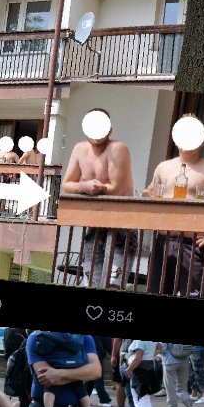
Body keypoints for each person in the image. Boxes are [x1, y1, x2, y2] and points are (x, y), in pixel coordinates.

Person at [143, 127, 204, 297]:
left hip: (193, 243)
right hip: (163, 241)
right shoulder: (163, 167)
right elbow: (149, 192)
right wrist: (151, 200)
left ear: (202, 141)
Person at [61, 108, 136, 287]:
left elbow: (117, 189)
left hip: (121, 226)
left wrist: (94, 188)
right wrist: (84, 186)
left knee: (112, 285)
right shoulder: (79, 149)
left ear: (109, 129)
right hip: (94, 226)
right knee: (91, 284)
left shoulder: (117, 148)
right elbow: (67, 184)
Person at [29, 332, 94, 407]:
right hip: (75, 364)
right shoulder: (78, 337)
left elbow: (46, 377)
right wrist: (76, 375)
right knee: (81, 391)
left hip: (56, 364)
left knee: (49, 388)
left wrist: (59, 375)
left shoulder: (43, 335)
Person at [123, 339, 162, 407]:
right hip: (149, 369)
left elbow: (138, 358)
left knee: (139, 401)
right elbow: (160, 347)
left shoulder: (139, 341)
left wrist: (128, 370)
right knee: (146, 400)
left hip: (140, 371)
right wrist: (150, 355)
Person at [161, 341, 198, 407]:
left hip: (169, 362)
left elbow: (162, 348)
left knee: (171, 390)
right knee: (182, 389)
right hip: (184, 361)